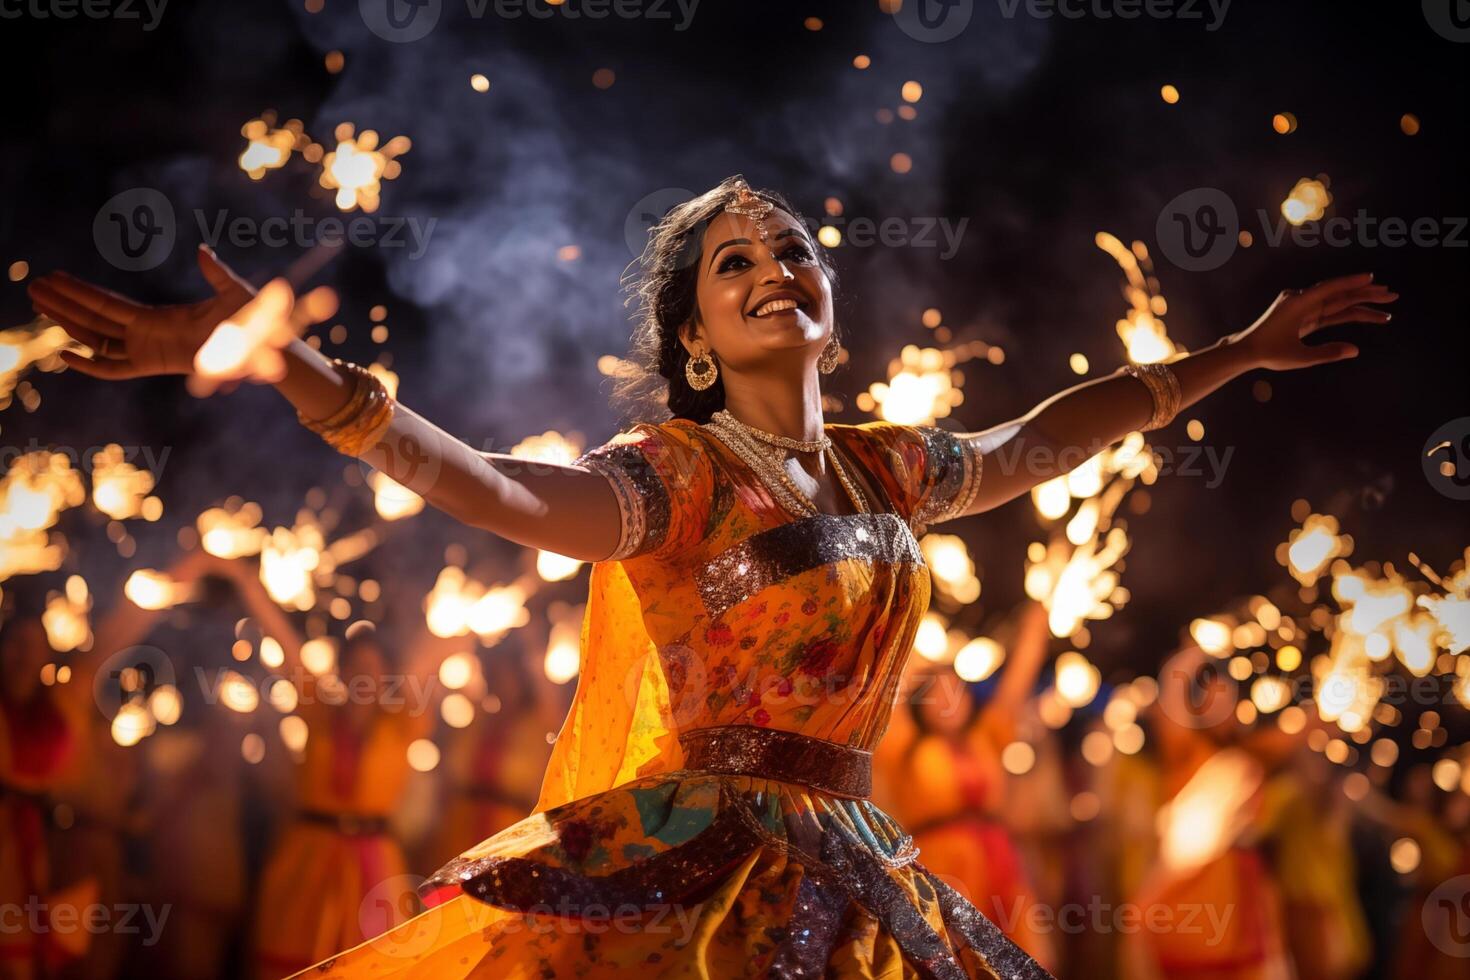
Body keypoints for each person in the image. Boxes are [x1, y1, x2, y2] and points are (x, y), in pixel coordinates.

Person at [28, 174, 1396, 979]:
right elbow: (495, 490)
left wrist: (1238, 350)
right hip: (695, 877)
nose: (772, 267)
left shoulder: (888, 469)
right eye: (731, 263)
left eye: (791, 250)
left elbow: (1048, 433)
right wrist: (289, 367)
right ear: (693, 336)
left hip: (865, 867)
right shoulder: (676, 473)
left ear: (828, 305)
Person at [874, 602, 1057, 969]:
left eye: (957, 690)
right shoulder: (905, 746)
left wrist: (1037, 621)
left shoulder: (987, 737)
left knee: (1025, 957)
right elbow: (887, 691)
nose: (949, 700)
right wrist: (909, 634)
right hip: (942, 869)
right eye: (938, 692)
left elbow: (1017, 682)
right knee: (956, 960)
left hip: (1001, 862)